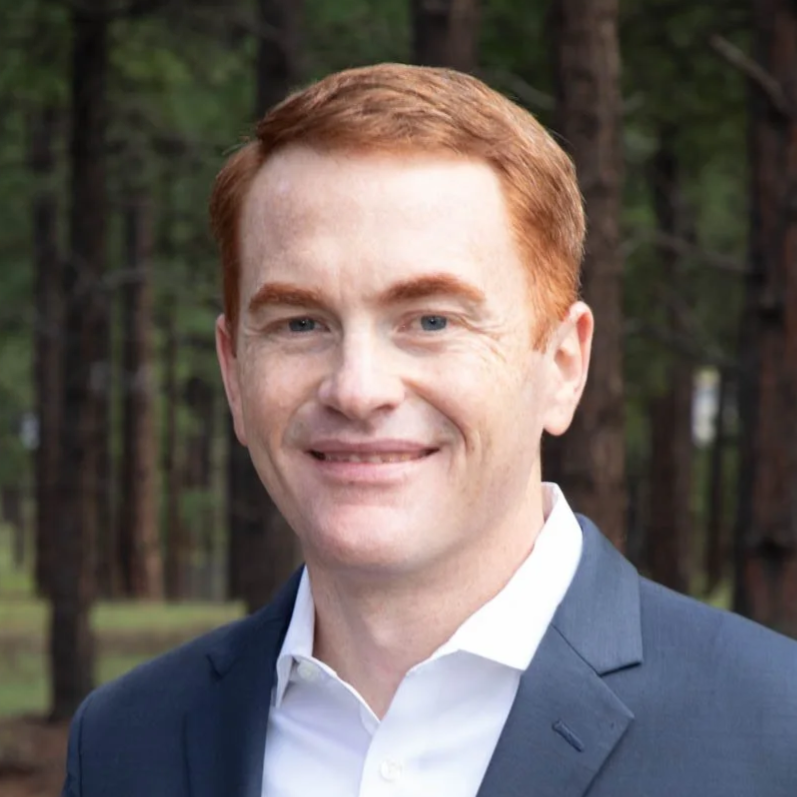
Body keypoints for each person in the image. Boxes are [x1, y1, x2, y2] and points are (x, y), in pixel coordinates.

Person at [61, 63, 796, 797]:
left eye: (431, 320)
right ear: (233, 372)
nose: (356, 388)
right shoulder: (127, 741)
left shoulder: (772, 729)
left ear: (563, 365)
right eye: (300, 322)